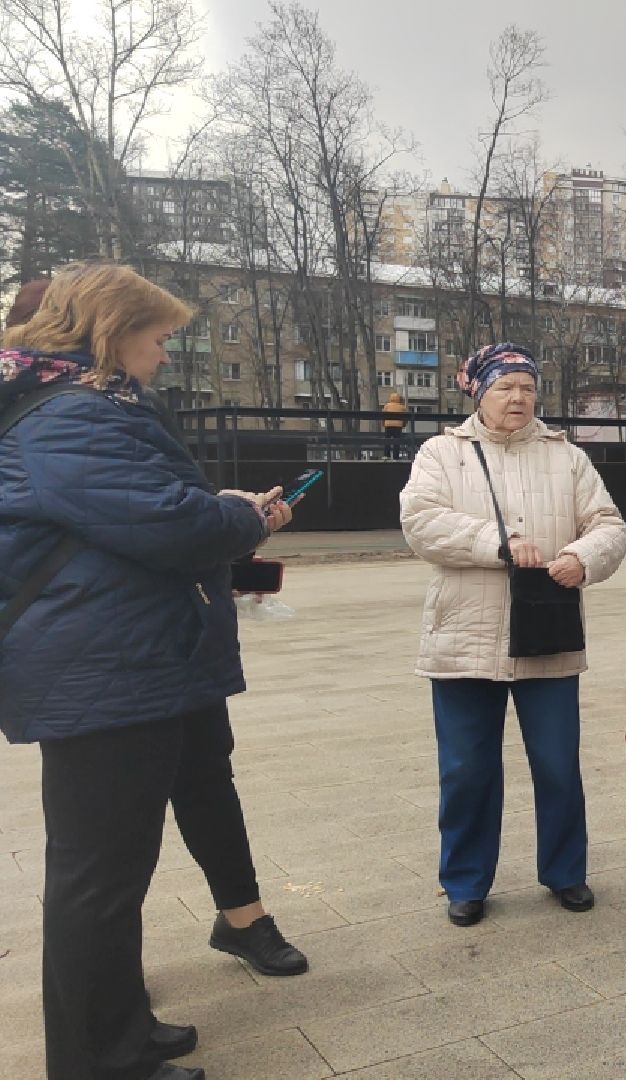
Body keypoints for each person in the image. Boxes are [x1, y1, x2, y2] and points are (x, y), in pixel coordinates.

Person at [1, 263, 295, 1080]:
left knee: (113, 871)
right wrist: (238, 515)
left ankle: (123, 1026)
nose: (165, 356)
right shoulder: (73, 417)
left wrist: (217, 512)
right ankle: (101, 1062)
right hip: (102, 669)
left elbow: (137, 514)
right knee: (97, 877)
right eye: (158, 338)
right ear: (110, 330)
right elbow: (167, 527)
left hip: (116, 659)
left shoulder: (77, 409)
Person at [399, 342, 626, 927]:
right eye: (505, 387)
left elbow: (609, 525)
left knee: (557, 764)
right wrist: (494, 543)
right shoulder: (441, 453)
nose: (519, 398)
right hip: (463, 638)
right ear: (478, 391)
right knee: (466, 769)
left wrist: (583, 557)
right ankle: (466, 881)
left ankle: (565, 872)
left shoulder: (566, 457)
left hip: (547, 632)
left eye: (527, 387)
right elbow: (421, 523)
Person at [382, 390, 409, 458]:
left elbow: (383, 415)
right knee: (397, 441)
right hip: (398, 426)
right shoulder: (402, 407)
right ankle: (396, 456)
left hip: (388, 425)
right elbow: (406, 417)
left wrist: (384, 423)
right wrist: (404, 424)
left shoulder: (387, 406)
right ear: (399, 399)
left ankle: (386, 455)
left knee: (387, 440)